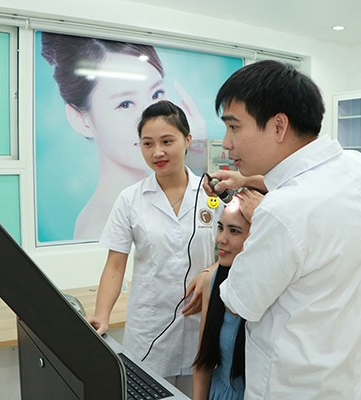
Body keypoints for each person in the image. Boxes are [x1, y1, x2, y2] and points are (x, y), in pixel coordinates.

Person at [212, 60, 361, 399]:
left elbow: (238, 302)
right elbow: (300, 179)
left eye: (233, 127)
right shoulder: (358, 166)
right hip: (352, 376)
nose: (226, 144)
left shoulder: (281, 211)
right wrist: (246, 179)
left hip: (295, 385)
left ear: (278, 126)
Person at [87, 100, 220, 396]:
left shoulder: (212, 195)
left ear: (187, 140)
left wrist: (210, 271)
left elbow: (234, 252)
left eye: (167, 141)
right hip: (150, 330)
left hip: (200, 325)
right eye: (148, 144)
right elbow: (115, 264)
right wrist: (102, 315)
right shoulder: (130, 199)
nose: (157, 152)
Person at [40, 33, 206, 241]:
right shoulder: (99, 225)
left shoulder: (163, 196)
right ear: (81, 120)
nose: (150, 118)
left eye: (156, 95)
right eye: (125, 104)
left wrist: (193, 150)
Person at [192, 195, 259, 400]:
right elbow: (203, 363)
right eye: (220, 227)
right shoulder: (213, 280)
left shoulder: (271, 293)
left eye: (234, 231)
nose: (221, 239)